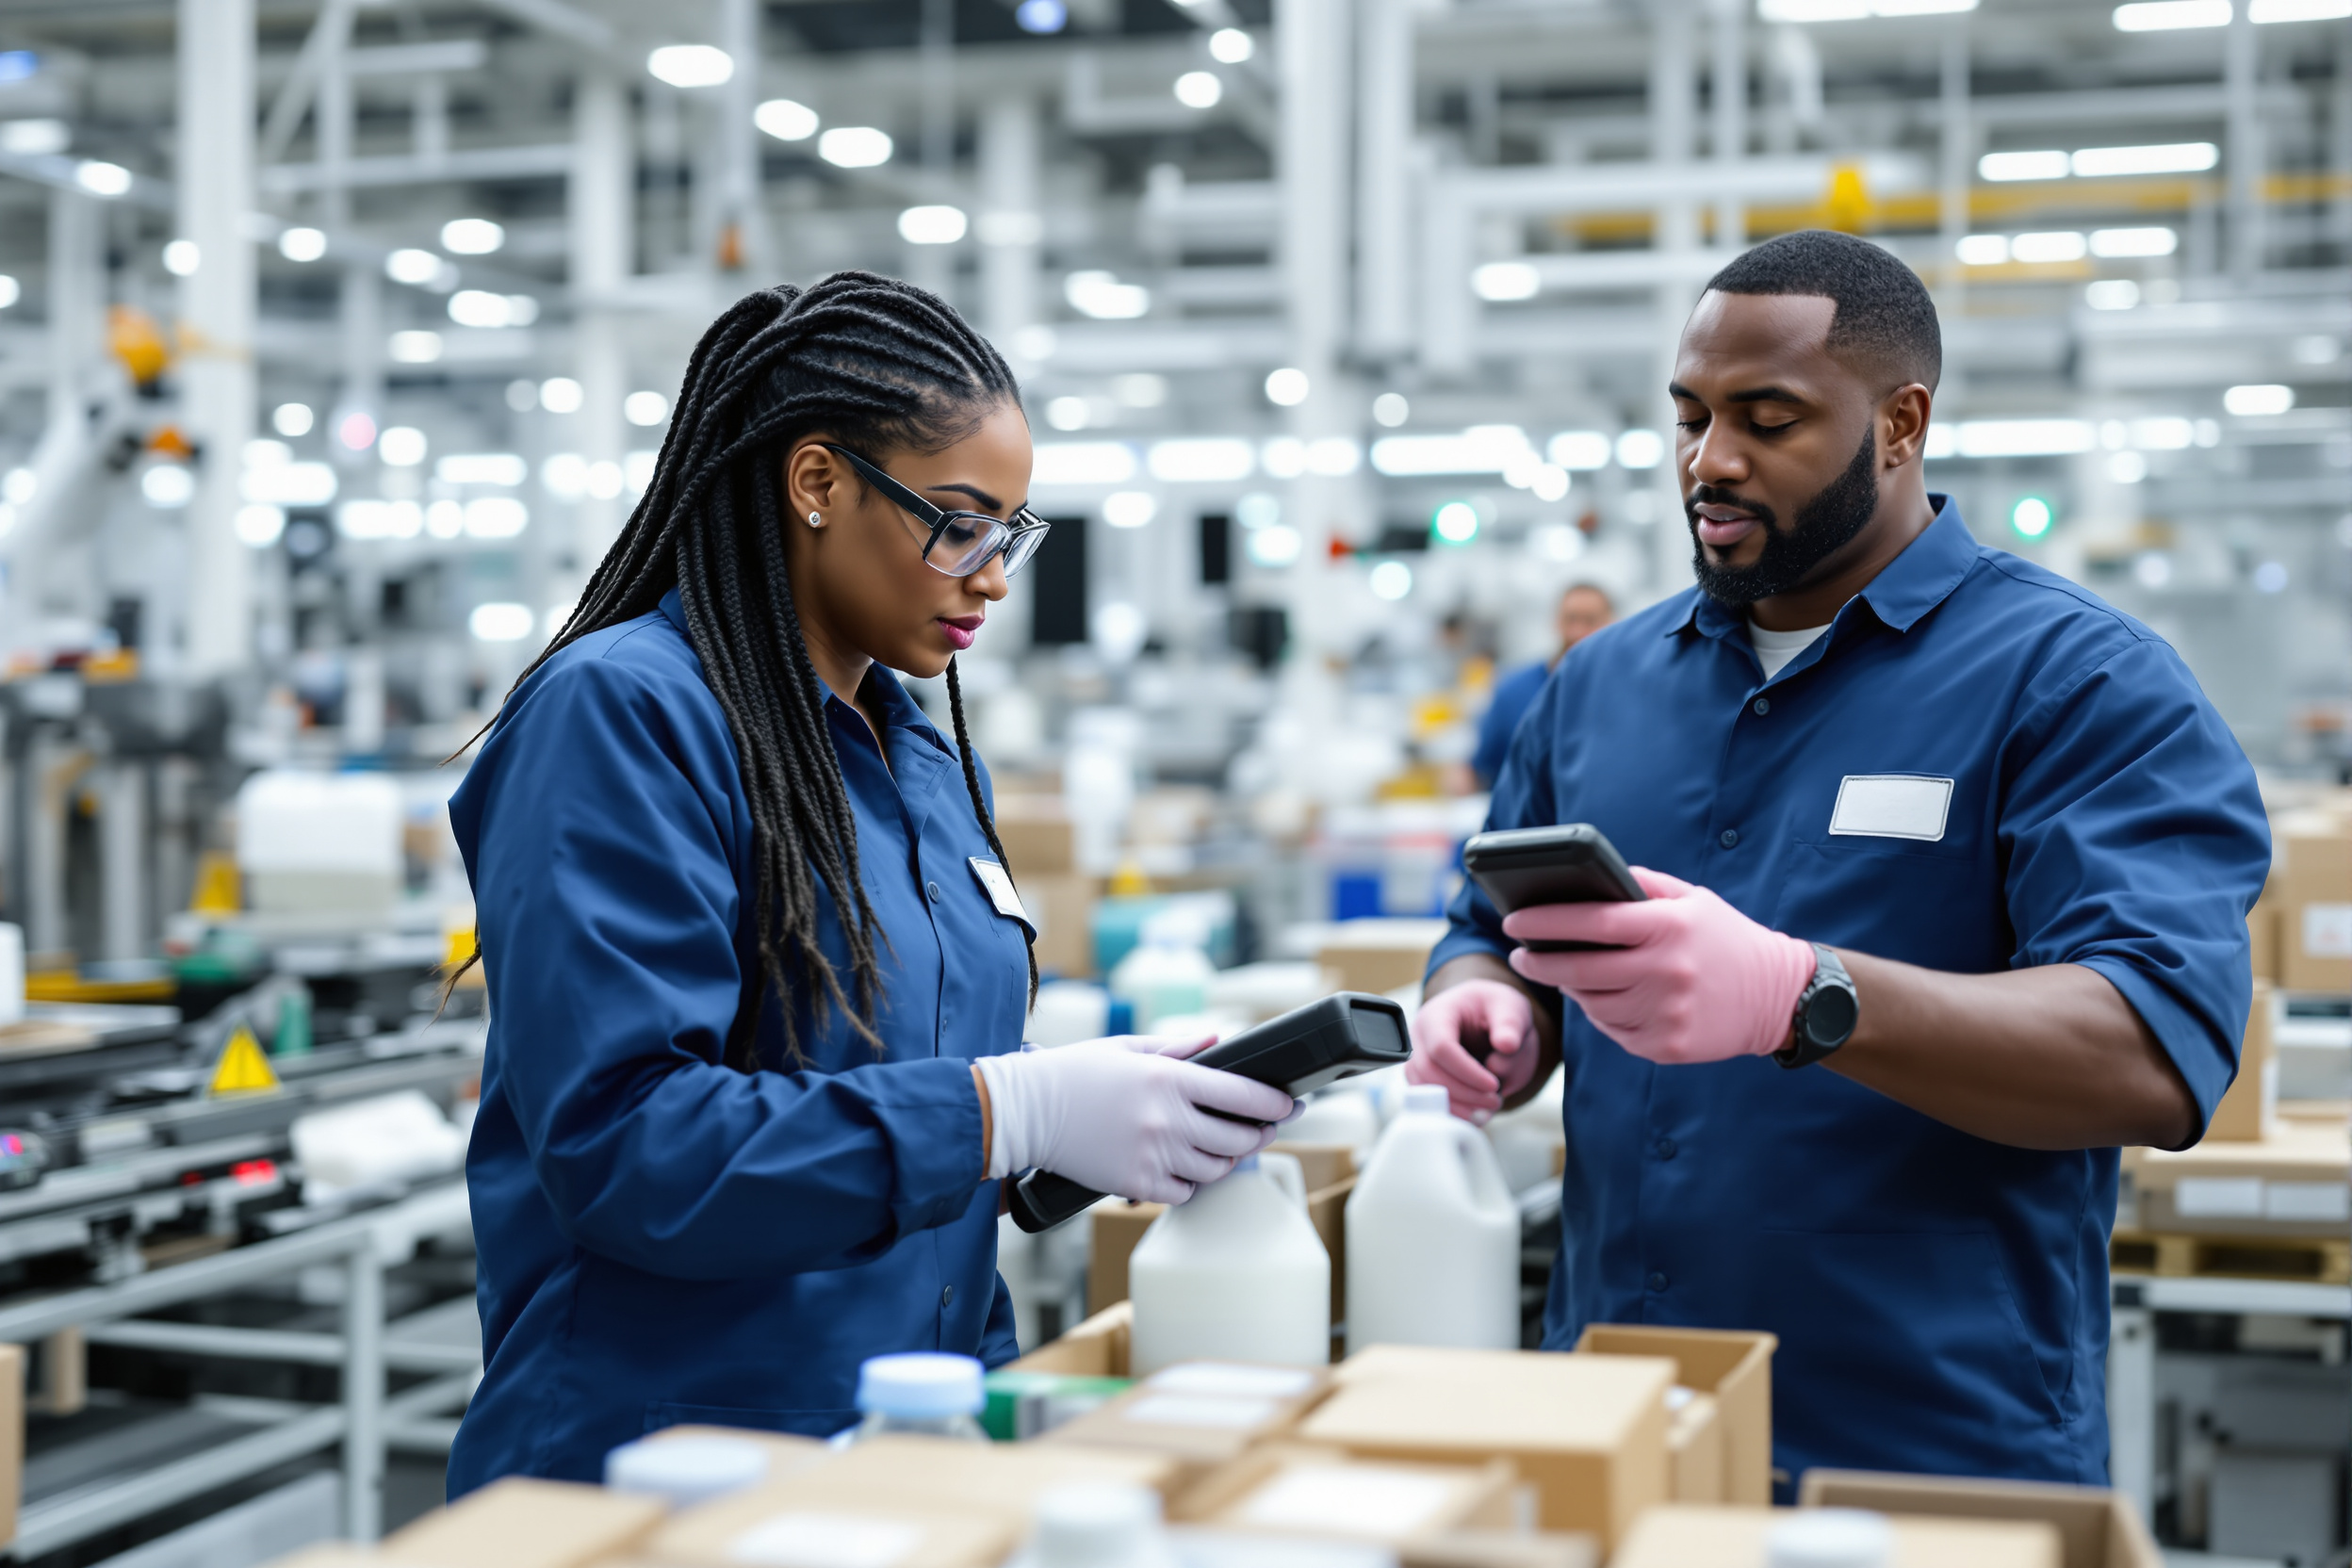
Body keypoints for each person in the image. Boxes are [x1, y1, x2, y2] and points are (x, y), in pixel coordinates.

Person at [1409, 231, 2268, 1486]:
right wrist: (1479, 998)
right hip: (1621, 1423)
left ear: (1901, 423)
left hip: (1928, 1444)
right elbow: (1488, 923)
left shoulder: (2077, 682)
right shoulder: (1598, 688)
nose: (1711, 460)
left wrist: (1800, 996)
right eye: (1693, 416)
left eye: (1769, 418)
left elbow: (2150, 1046)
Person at [444, 274, 1291, 1491]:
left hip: (897, 1453)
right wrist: (1010, 1112)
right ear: (819, 483)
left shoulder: (924, 765)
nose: (994, 574)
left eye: (1012, 530)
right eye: (957, 522)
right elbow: (626, 1147)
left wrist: (1109, 1130)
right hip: (659, 1469)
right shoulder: (625, 715)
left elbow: (919, 1133)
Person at [1471, 583, 1615, 789]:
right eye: (1570, 619)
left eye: (1590, 621)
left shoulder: (1625, 693)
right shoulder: (1513, 691)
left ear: (1612, 623)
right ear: (1556, 622)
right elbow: (1482, 767)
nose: (1577, 631)